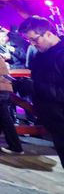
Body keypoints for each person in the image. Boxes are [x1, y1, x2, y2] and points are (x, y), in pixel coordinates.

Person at [19, 16, 64, 166]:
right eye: (28, 41)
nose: (32, 44)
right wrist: (26, 86)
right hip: (55, 121)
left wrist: (35, 87)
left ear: (49, 34)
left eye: (35, 40)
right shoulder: (40, 56)